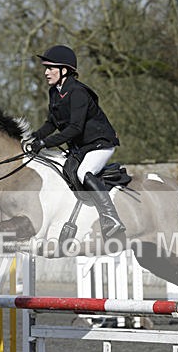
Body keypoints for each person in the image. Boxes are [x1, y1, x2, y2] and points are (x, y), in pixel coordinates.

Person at [23, 45, 125, 238]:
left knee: (83, 172)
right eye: (46, 67)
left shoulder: (78, 93)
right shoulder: (55, 92)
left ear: (64, 70)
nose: (46, 72)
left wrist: (45, 144)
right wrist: (33, 138)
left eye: (50, 68)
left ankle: (110, 217)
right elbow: (51, 123)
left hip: (100, 144)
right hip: (81, 147)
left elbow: (74, 129)